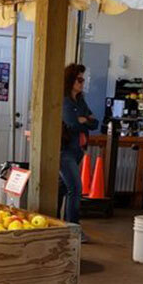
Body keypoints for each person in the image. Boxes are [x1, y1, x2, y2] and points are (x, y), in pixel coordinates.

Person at [60, 63, 97, 225]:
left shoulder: (81, 101)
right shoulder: (66, 102)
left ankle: (60, 224)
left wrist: (84, 120)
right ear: (70, 81)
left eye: (83, 80)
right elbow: (71, 124)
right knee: (75, 189)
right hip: (65, 150)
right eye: (79, 80)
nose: (82, 83)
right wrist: (84, 120)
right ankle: (73, 227)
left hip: (77, 150)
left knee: (62, 188)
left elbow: (95, 122)